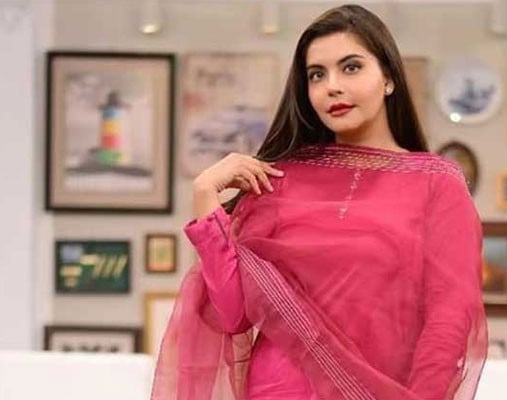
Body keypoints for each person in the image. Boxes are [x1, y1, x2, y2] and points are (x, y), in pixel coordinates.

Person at [150, 4, 487, 400]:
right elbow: (233, 313)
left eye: (351, 67)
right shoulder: (279, 179)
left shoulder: (436, 184)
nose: (332, 87)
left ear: (389, 78)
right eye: (316, 75)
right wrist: (205, 194)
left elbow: (449, 317)